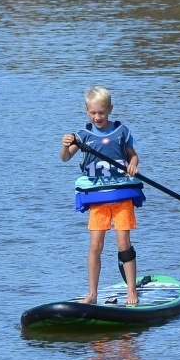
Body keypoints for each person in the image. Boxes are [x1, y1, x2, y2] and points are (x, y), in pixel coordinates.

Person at [61, 86, 143, 305]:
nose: (98, 117)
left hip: (121, 195)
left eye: (102, 112)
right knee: (95, 246)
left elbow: (134, 157)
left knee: (123, 242)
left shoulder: (121, 132)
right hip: (98, 198)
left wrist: (133, 165)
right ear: (87, 111)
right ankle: (92, 294)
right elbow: (65, 159)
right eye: (93, 113)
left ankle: (132, 292)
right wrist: (65, 145)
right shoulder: (83, 136)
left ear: (110, 110)